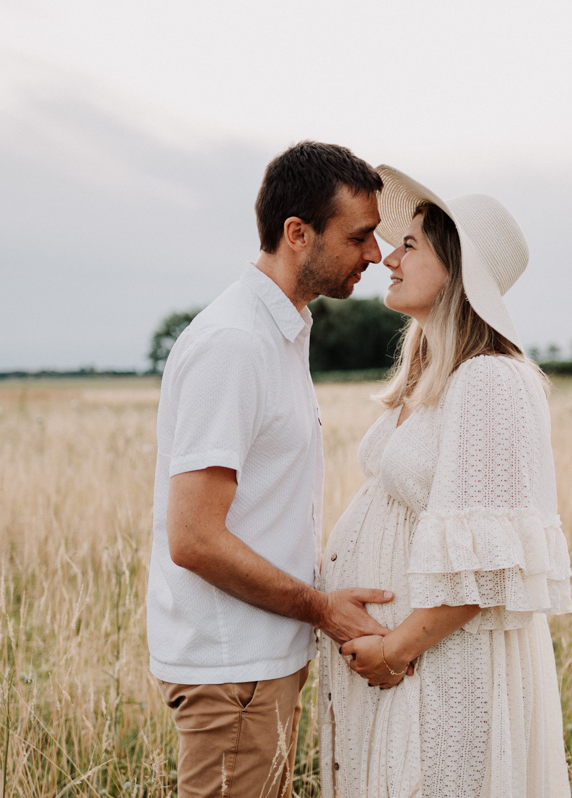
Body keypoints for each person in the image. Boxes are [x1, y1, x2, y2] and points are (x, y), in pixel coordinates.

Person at [146, 141, 397, 798]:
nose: (376, 254)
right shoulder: (235, 344)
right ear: (297, 234)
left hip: (257, 666)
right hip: (234, 672)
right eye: (361, 236)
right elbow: (194, 537)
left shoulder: (278, 333)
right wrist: (323, 610)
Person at [318, 165, 572, 797]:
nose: (389, 259)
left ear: (456, 271)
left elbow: (490, 565)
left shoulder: (490, 381)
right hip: (407, 667)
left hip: (443, 670)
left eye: (410, 246)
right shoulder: (432, 374)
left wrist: (396, 648)